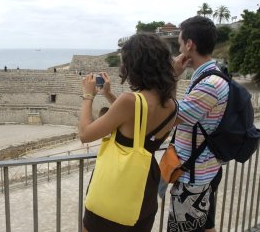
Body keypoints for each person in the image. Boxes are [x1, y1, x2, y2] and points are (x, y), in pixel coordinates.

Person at [79, 33, 178, 231]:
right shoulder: (171, 105)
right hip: (144, 189)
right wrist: (107, 94)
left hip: (114, 191)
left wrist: (88, 95)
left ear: (135, 65)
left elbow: (85, 133)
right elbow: (137, 122)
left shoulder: (129, 101)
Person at [169, 16, 229, 232]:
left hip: (194, 177)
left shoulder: (209, 84)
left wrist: (173, 77)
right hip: (205, 170)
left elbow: (171, 116)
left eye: (179, 42)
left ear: (189, 44)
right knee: (205, 227)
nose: (178, 47)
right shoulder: (209, 76)